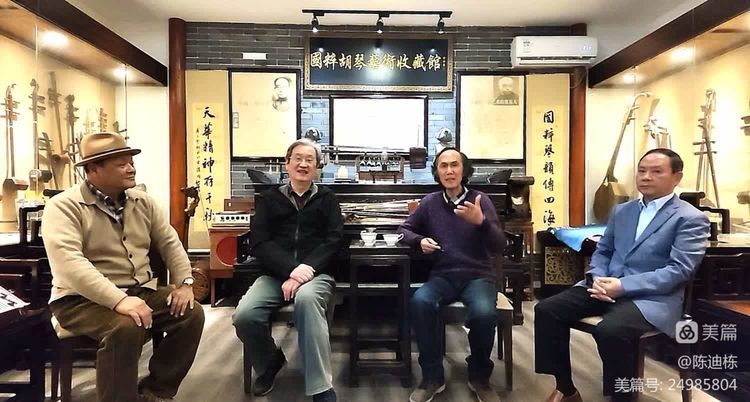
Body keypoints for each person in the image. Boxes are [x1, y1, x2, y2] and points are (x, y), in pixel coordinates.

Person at [534, 148, 709, 402]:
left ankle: (622, 397)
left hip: (652, 298)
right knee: (547, 310)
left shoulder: (690, 218)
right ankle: (566, 388)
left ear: (676, 177)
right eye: (642, 170)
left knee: (611, 331)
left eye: (656, 171)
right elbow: (603, 250)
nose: (646, 177)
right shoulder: (623, 210)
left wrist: (622, 286)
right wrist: (597, 277)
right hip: (605, 286)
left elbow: (679, 270)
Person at [42, 132, 205, 402]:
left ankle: (156, 392)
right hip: (79, 301)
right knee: (127, 325)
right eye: (121, 164)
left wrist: (185, 283)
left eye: (131, 162)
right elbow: (70, 264)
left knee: (191, 313)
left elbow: (169, 242)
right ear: (93, 169)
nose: (131, 168)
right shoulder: (63, 207)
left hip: (139, 291)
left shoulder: (143, 201)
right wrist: (119, 300)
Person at [233, 138, 342, 402]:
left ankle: (320, 387)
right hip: (274, 274)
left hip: (316, 275)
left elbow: (334, 240)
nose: (303, 164)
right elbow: (260, 242)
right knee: (245, 315)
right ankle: (270, 362)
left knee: (306, 300)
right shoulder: (269, 199)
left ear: (317, 167)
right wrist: (292, 270)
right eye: (298, 159)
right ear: (287, 163)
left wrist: (307, 269)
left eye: (310, 160)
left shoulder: (327, 199)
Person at [399, 147, 506, 402]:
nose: (449, 171)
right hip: (443, 275)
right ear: (437, 172)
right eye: (443, 166)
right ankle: (432, 376)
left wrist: (481, 222)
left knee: (483, 313)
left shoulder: (480, 200)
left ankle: (479, 376)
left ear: (464, 170)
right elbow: (404, 230)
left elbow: (500, 245)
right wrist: (419, 240)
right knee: (420, 302)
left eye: (454, 165)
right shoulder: (430, 202)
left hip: (478, 275)